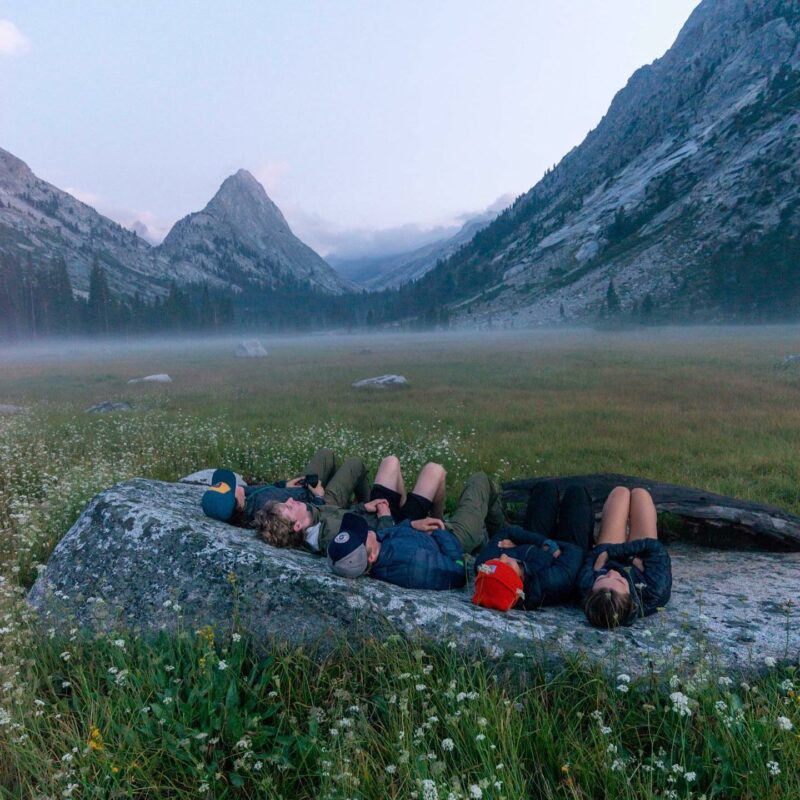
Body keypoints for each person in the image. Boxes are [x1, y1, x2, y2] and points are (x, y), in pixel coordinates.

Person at [326, 472, 506, 589]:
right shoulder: (412, 564)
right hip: (453, 540)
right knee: (480, 480)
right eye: (363, 535)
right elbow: (458, 572)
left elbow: (386, 535)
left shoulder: (377, 551)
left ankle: (485, 536)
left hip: (430, 534)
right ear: (371, 556)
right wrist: (440, 532)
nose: (367, 530)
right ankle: (501, 533)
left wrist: (411, 525)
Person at [255, 454, 449, 553]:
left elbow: (345, 513)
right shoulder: (329, 537)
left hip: (377, 512)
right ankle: (440, 529)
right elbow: (378, 541)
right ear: (297, 526)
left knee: (390, 461)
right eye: (288, 507)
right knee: (435, 470)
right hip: (396, 526)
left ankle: (413, 508)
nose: (290, 500)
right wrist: (388, 518)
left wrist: (363, 507)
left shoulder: (312, 517)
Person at [472, 481, 593, 612]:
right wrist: (547, 546)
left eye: (496, 562)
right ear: (520, 579)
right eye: (507, 565)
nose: (503, 556)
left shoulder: (484, 565)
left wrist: (542, 543)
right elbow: (575, 551)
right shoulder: (552, 582)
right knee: (577, 493)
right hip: (569, 549)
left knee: (545, 489)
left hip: (539, 546)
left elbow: (505, 532)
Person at [577, 486, 672, 628]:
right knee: (641, 494)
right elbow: (655, 548)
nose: (612, 573)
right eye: (620, 581)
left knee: (620, 493)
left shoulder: (586, 586)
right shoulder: (655, 590)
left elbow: (594, 554)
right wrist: (629, 558)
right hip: (641, 552)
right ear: (631, 598)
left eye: (602, 577)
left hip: (610, 553)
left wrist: (609, 553)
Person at [201, 447, 367, 528]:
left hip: (300, 490)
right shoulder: (263, 506)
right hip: (318, 504)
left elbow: (263, 488)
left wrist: (284, 485)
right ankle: (367, 507)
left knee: (326, 455)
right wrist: (318, 496)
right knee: (355, 464)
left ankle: (342, 495)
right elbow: (298, 515)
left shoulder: (246, 499)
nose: (236, 485)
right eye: (233, 488)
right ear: (236, 503)